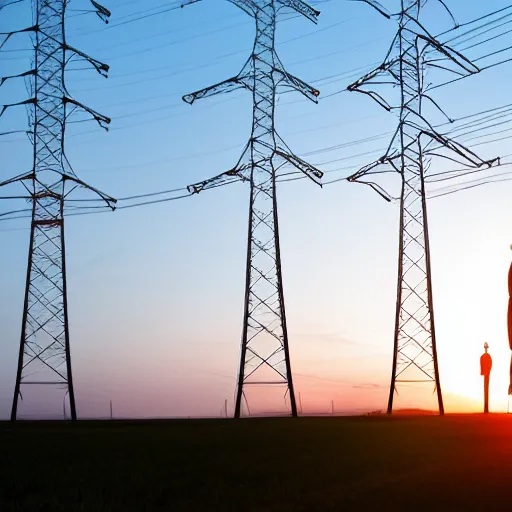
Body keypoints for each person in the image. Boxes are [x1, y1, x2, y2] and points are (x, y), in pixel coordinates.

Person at [480, 342, 492, 414]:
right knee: (485, 388)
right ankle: (485, 408)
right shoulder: (482, 356)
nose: (486, 349)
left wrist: (488, 370)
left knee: (486, 388)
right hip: (485, 373)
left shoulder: (487, 356)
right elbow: (481, 364)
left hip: (487, 373)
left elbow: (490, 364)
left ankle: (486, 408)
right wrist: (483, 371)